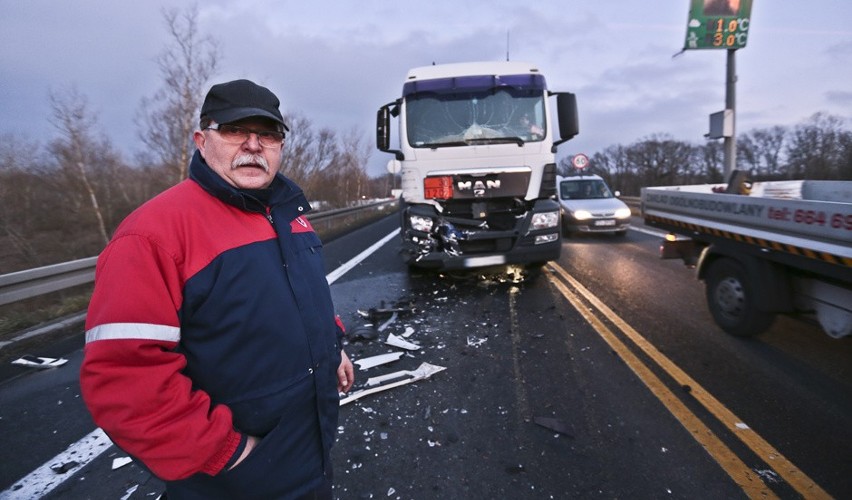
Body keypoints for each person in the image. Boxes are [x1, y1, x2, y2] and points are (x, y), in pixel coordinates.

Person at [80, 79, 354, 499]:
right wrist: (228, 453)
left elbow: (305, 293)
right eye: (233, 131)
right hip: (233, 479)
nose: (253, 145)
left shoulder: (287, 213)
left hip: (307, 454)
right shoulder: (153, 234)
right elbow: (124, 381)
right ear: (201, 140)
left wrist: (332, 343)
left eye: (267, 134)